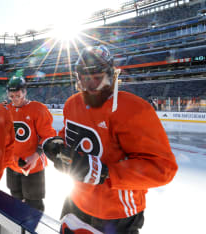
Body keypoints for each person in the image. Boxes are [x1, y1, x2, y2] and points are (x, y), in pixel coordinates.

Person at [42, 45, 178, 233]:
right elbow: (70, 136)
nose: (89, 85)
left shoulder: (134, 109)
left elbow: (163, 168)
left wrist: (105, 172)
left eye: (96, 78)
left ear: (111, 76)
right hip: (75, 198)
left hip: (115, 211)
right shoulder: (72, 103)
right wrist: (57, 145)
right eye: (84, 78)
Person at [5, 76, 56, 211]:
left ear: (25, 92)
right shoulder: (6, 110)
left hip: (34, 166)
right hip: (12, 165)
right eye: (11, 96)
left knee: (34, 204)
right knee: (15, 199)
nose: (15, 99)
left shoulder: (38, 109)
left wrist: (35, 155)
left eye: (18, 95)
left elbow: (48, 136)